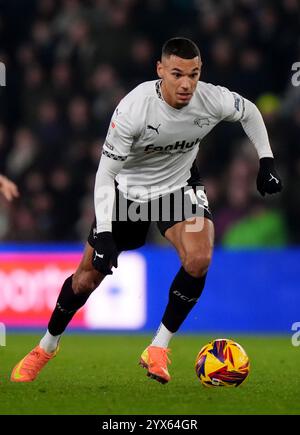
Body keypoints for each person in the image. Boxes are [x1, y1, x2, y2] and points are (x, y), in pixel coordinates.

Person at [11, 37, 282, 384]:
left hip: (178, 188)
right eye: (177, 74)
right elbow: (105, 174)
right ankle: (46, 347)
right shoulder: (133, 109)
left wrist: (266, 160)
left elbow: (250, 111)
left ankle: (158, 347)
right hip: (129, 194)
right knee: (85, 279)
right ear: (160, 71)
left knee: (199, 259)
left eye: (194, 74)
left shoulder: (210, 98)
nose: (186, 83)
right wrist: (106, 232)